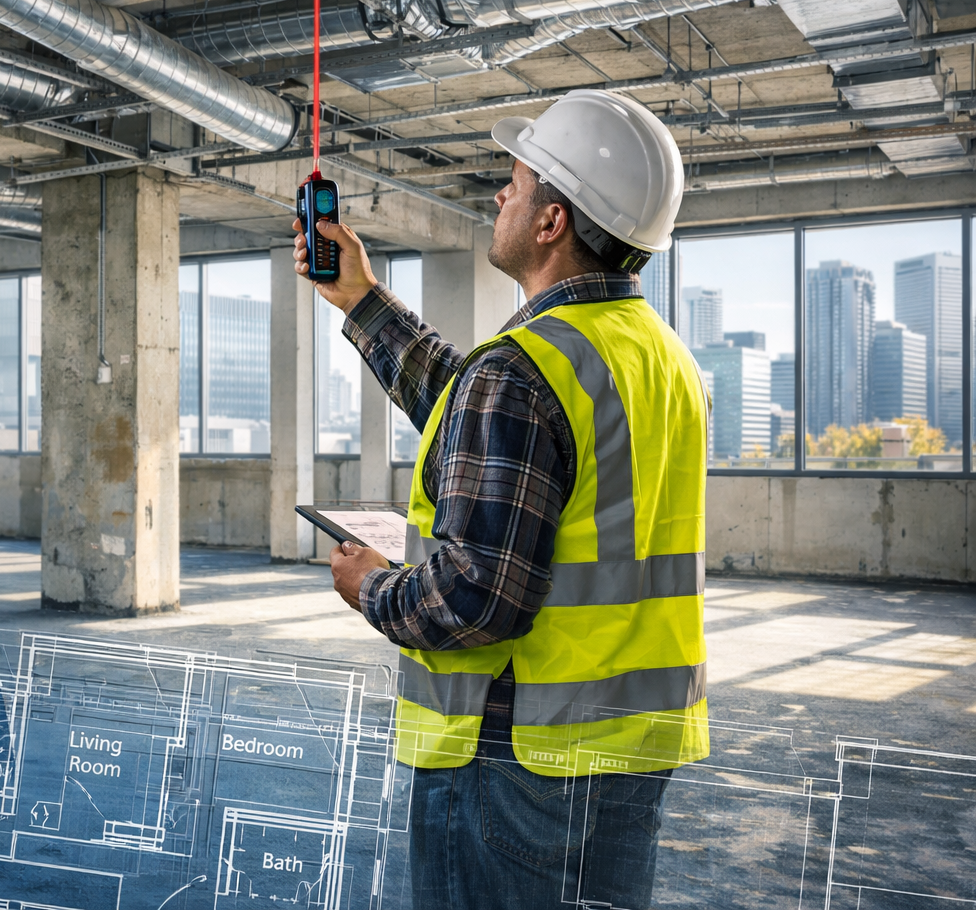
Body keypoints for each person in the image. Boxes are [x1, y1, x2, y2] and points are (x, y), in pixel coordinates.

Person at [292, 90, 709, 910]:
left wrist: (371, 584)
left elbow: (475, 600)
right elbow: (481, 412)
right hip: (630, 747)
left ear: (551, 222)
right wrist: (361, 301)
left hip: (516, 757)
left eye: (514, 183)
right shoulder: (661, 359)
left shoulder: (524, 368)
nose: (499, 196)